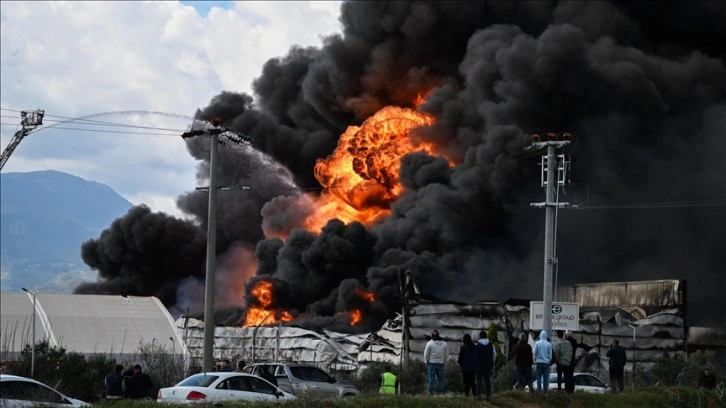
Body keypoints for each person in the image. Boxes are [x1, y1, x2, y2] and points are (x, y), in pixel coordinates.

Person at [423, 329, 447, 394]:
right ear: (439, 335)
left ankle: (430, 392)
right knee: (441, 379)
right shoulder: (444, 344)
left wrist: (426, 361)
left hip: (431, 363)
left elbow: (426, 354)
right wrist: (444, 361)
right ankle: (442, 392)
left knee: (431, 379)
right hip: (441, 363)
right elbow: (446, 354)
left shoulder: (429, 343)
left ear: (432, 335)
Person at [475, 330, 496, 400]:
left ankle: (478, 395)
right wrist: (492, 363)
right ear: (486, 336)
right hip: (488, 365)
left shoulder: (477, 345)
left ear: (480, 336)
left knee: (479, 380)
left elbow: (474, 356)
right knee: (487, 380)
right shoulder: (491, 345)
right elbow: (494, 355)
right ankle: (488, 395)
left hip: (479, 364)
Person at [533, 331, 552, 395]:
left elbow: (534, 353)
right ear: (546, 336)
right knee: (546, 378)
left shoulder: (537, 343)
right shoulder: (549, 344)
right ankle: (545, 392)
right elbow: (550, 355)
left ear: (540, 336)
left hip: (538, 362)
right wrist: (548, 361)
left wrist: (534, 360)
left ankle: (539, 391)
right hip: (546, 363)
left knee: (538, 378)